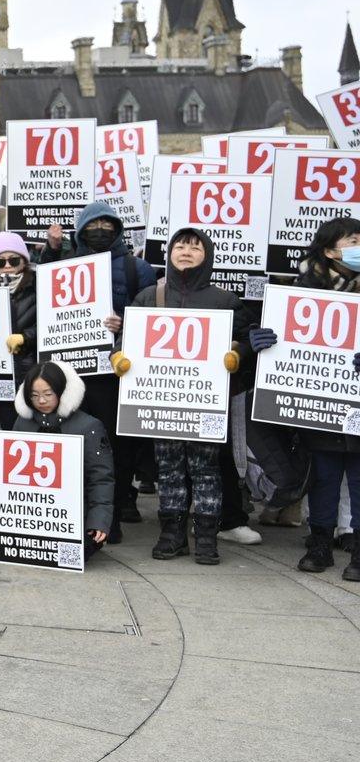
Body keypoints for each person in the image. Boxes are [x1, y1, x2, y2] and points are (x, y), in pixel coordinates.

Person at [116, 227, 258, 562]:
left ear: (207, 257)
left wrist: (237, 354)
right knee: (168, 469)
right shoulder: (149, 296)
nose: (186, 252)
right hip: (161, 402)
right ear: (169, 254)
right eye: (180, 246)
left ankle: (207, 537)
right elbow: (129, 336)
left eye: (195, 247)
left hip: (204, 402)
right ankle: (172, 534)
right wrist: (118, 356)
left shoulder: (224, 300)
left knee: (206, 469)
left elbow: (249, 337)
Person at [250, 216, 360, 580]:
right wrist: (263, 341)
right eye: (353, 241)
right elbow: (281, 340)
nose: (359, 247)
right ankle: (319, 543)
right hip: (319, 407)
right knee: (323, 478)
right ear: (329, 251)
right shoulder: (298, 293)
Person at [39, 201, 157, 527]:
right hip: (73, 372)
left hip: (114, 374)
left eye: (107, 225)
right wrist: (51, 250)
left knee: (116, 446)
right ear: (81, 231)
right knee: (72, 442)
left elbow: (151, 317)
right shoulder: (65, 264)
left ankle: (114, 512)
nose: (100, 230)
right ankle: (78, 511)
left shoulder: (137, 268)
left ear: (117, 230)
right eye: (93, 225)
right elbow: (43, 296)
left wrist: (126, 323)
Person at [11, 361, 115, 550]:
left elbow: (101, 477)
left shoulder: (89, 426)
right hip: (31, 516)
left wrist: (98, 522)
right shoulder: (22, 423)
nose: (41, 401)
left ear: (61, 391)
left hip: (75, 517)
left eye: (48, 394)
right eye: (34, 395)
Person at [0, 232, 37, 431]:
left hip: (34, 373)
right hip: (2, 377)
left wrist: (26, 338)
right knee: (8, 430)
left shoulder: (39, 285)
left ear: (24, 261)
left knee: (36, 430)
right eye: (0, 261)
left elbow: (52, 326)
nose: (7, 265)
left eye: (14, 260)